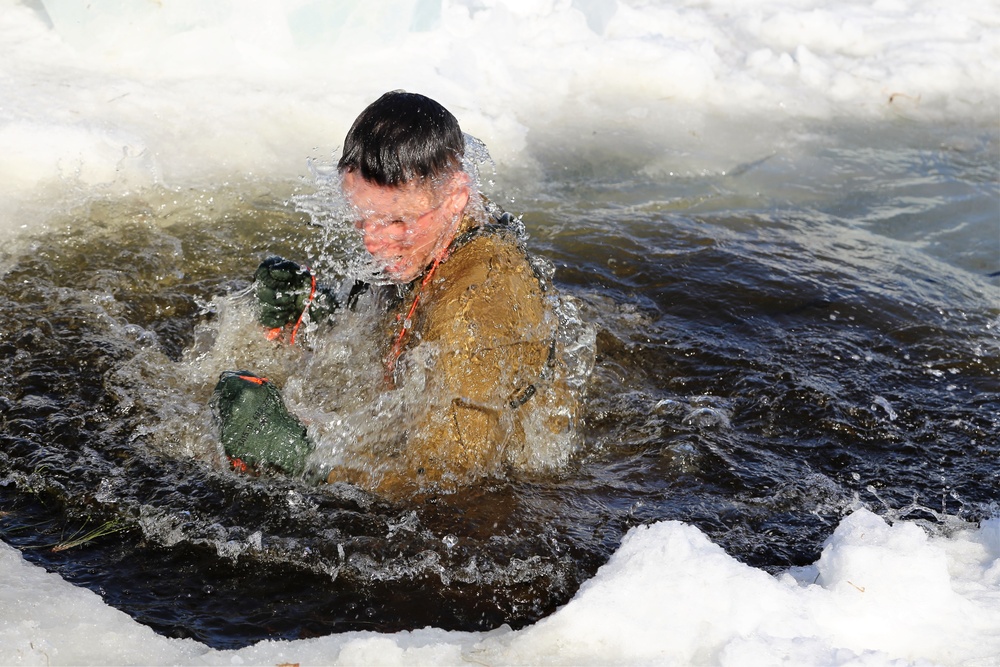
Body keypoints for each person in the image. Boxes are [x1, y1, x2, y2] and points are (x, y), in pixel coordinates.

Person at [213, 91, 577, 497]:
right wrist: (323, 319)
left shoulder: (475, 311)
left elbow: (447, 480)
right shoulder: (440, 229)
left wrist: (305, 463)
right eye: (362, 218)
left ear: (456, 195)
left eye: (396, 221)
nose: (374, 243)